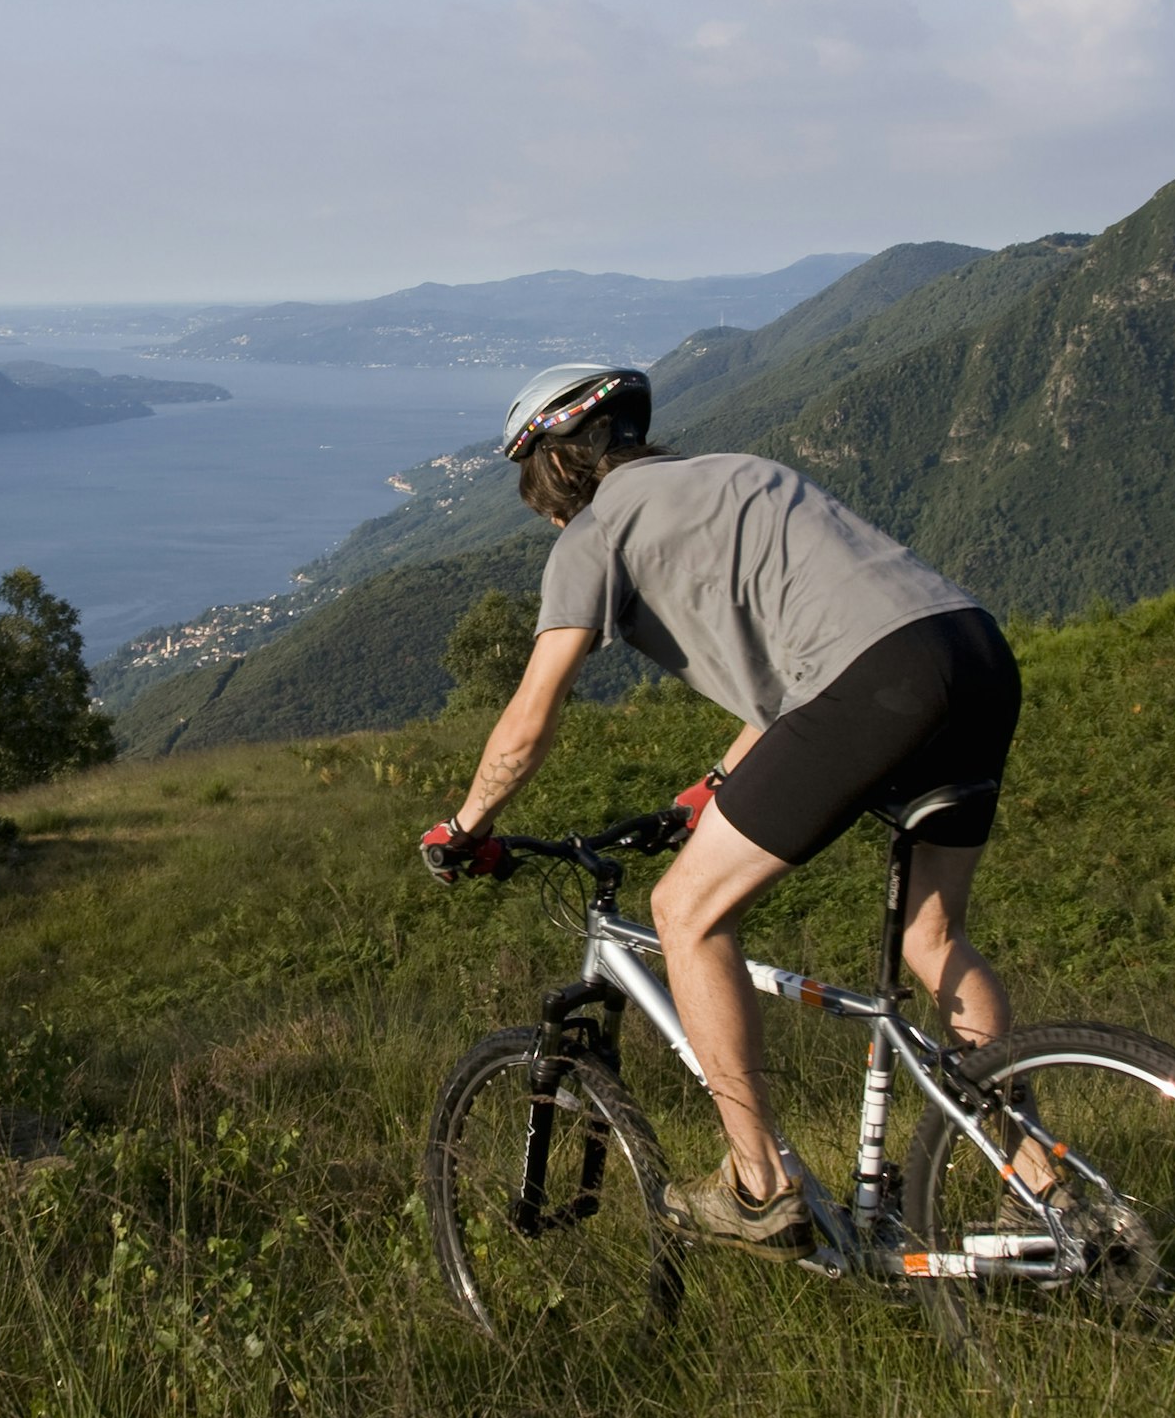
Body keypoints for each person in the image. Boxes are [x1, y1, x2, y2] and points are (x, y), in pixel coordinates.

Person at [419, 361, 1022, 1259]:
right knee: (932, 942)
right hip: (971, 652)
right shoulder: (736, 473)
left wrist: (463, 826)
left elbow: (531, 716)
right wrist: (711, 788)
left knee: (683, 912)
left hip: (878, 685)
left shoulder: (592, 533)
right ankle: (1040, 1185)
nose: (537, 505)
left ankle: (758, 1184)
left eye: (529, 483)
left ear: (553, 470)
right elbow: (791, 680)